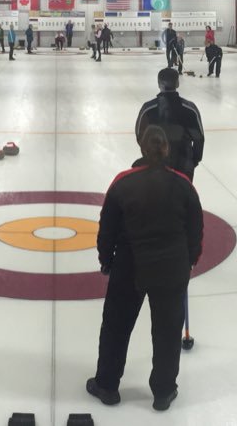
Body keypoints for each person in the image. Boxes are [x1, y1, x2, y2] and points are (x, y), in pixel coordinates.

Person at [87, 124, 204, 413]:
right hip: (172, 269)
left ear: (141, 147)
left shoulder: (123, 182)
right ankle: (163, 392)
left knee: (116, 326)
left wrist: (106, 259)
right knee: (167, 332)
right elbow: (195, 231)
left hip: (130, 267)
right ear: (166, 150)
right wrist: (189, 261)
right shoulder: (183, 184)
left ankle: (107, 385)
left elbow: (107, 229)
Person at [135, 69, 206, 181]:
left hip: (154, 165)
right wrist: (192, 161)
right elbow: (199, 139)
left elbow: (140, 136)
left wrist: (149, 156)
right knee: (182, 197)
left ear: (158, 84)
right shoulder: (190, 109)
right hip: (184, 166)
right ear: (177, 83)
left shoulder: (148, 109)